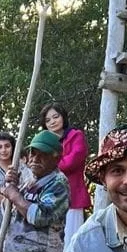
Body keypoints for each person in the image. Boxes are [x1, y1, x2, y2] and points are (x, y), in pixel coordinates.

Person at [41, 103, 90, 242]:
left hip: (72, 196)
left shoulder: (76, 135)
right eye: (48, 120)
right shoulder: (44, 142)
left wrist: (48, 166)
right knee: (50, 242)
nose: (52, 122)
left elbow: (71, 162)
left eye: (55, 117)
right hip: (50, 198)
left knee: (71, 240)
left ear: (63, 117)